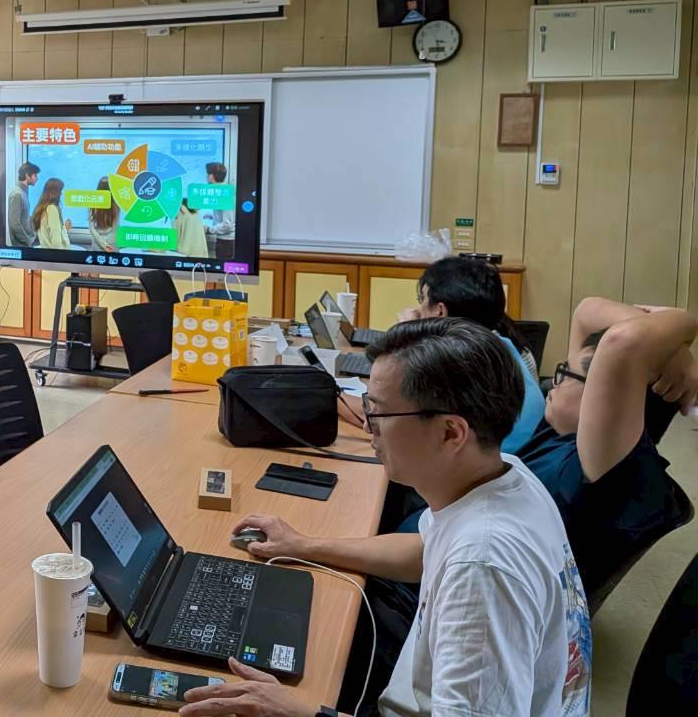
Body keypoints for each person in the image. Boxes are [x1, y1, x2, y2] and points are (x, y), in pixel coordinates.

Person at [181, 318, 591, 717]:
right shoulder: (508, 474)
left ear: (451, 433)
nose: (367, 425)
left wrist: (298, 713)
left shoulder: (481, 566)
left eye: (378, 413)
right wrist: (302, 545)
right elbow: (425, 550)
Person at [514, 296, 696, 601]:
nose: (553, 383)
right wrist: (680, 353)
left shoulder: (598, 467)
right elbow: (586, 312)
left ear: (606, 395)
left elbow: (624, 342)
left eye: (566, 374)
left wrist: (688, 322)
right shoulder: (563, 427)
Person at [395, 256, 544, 454]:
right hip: (513, 461)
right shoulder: (502, 344)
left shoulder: (455, 362)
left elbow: (391, 412)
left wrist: (406, 335)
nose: (418, 308)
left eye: (422, 299)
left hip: (482, 464)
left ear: (440, 311)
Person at [204, 162, 235, 259]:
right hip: (225, 241)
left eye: (207, 174)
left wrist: (209, 229)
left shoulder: (225, 195)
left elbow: (227, 224)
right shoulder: (222, 192)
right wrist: (213, 217)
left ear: (211, 177)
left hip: (226, 242)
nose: (206, 177)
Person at [6, 161, 40, 248]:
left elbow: (24, 218)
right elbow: (15, 224)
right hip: (22, 246)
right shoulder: (17, 195)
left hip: (26, 245)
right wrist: (28, 240)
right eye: (35, 175)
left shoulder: (23, 193)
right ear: (27, 176)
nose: (37, 179)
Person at [32, 177, 71, 249]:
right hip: (57, 253)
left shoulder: (42, 209)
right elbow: (56, 240)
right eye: (59, 191)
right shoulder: (52, 209)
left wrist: (64, 228)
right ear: (54, 192)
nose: (61, 193)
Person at [87, 176, 119, 253]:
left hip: (97, 246)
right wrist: (107, 244)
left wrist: (104, 244)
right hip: (112, 246)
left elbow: (92, 229)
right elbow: (115, 228)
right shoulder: (116, 204)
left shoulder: (92, 204)